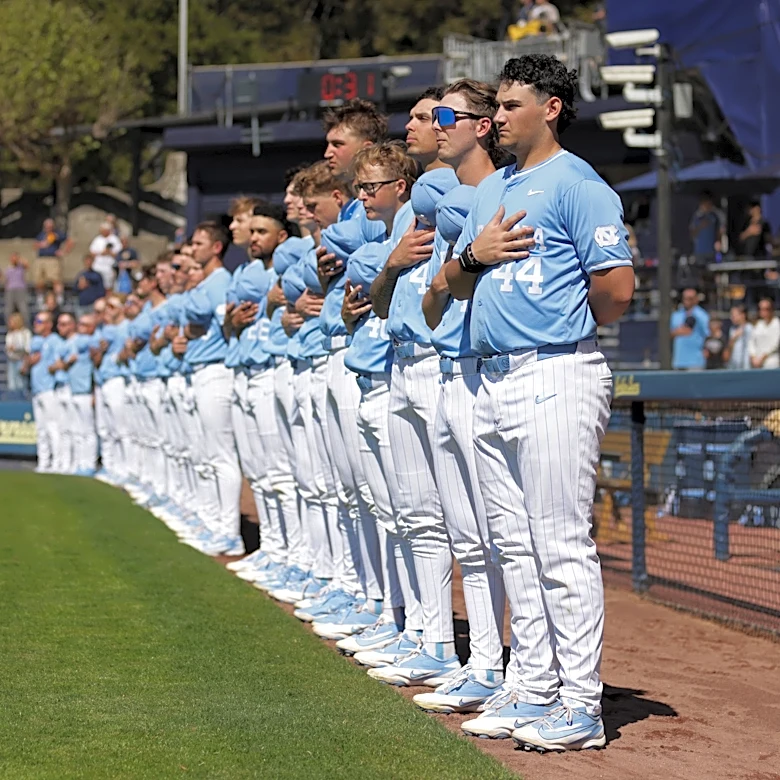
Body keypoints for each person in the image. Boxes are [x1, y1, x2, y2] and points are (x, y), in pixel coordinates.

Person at [442, 54, 634, 751]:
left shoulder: (577, 182)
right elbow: (457, 283)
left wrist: (563, 328)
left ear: (551, 107)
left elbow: (616, 287)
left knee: (557, 545)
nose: (496, 116)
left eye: (512, 103)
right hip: (494, 377)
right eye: (494, 105)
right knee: (514, 546)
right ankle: (534, 685)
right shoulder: (501, 188)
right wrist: (474, 259)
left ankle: (580, 705)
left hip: (555, 371)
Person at [179, 221, 244, 555]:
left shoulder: (220, 282)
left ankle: (228, 531)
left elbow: (224, 326)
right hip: (202, 370)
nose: (193, 249)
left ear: (216, 247)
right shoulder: (208, 282)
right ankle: (214, 524)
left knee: (221, 455)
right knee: (208, 455)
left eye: (198, 243)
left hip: (218, 369)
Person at [23, 311, 60, 472]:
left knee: (53, 427)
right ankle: (44, 462)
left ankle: (58, 462)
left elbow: (58, 364)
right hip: (37, 390)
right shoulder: (35, 341)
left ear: (48, 324)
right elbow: (24, 366)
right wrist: (29, 362)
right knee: (41, 429)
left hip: (50, 389)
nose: (36, 324)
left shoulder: (54, 341)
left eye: (40, 321)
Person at [68, 313, 99, 474]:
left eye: (84, 324)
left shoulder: (92, 341)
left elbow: (95, 369)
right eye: (79, 323)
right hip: (74, 391)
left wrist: (94, 392)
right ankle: (80, 462)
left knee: (88, 431)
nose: (80, 327)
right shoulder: (76, 342)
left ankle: (89, 464)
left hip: (86, 391)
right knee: (77, 431)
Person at [671, 288, 709, 370]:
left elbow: (708, 334)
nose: (687, 301)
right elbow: (671, 333)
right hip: (679, 361)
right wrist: (681, 331)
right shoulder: (676, 315)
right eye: (685, 298)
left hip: (696, 361)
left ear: (696, 299)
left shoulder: (702, 316)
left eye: (690, 299)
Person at [34, 218, 72, 289]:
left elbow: (70, 241)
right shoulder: (41, 235)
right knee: (39, 280)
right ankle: (40, 298)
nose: (48, 228)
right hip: (41, 259)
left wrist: (64, 251)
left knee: (56, 279)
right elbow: (35, 245)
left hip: (52, 259)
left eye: (50, 227)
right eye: (47, 226)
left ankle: (59, 298)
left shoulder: (57, 234)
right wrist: (41, 244)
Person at [689, 192, 725, 261]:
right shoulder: (696, 216)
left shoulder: (716, 215)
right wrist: (700, 226)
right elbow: (692, 234)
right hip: (699, 252)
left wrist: (718, 241)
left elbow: (720, 230)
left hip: (712, 251)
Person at [89, 222, 123, 291]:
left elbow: (118, 253)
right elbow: (92, 252)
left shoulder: (114, 239)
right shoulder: (97, 239)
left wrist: (109, 252)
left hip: (109, 267)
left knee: (108, 287)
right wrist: (102, 253)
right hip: (97, 266)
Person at [749, 297, 780, 369]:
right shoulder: (758, 324)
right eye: (761, 309)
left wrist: (762, 358)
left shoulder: (777, 324)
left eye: (766, 309)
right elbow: (751, 342)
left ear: (772, 310)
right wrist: (753, 357)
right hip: (756, 364)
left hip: (772, 363)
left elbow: (775, 345)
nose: (763, 312)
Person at [4, 311, 32, 392]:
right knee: (12, 384)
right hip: (12, 361)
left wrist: (16, 348)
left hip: (21, 360)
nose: (10, 323)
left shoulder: (25, 333)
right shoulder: (10, 334)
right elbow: (8, 348)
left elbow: (28, 348)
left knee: (21, 383)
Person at [3, 252, 30, 325]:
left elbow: (27, 265)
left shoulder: (21, 267)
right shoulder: (8, 269)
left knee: (23, 309)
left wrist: (19, 260)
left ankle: (26, 326)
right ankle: (9, 326)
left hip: (20, 290)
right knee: (9, 310)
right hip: (10, 290)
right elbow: (4, 280)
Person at [723, 304, 753, 370]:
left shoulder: (750, 328)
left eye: (733, 315)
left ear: (742, 315)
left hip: (746, 365)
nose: (731, 318)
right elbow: (730, 347)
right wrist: (733, 338)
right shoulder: (732, 329)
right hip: (734, 364)